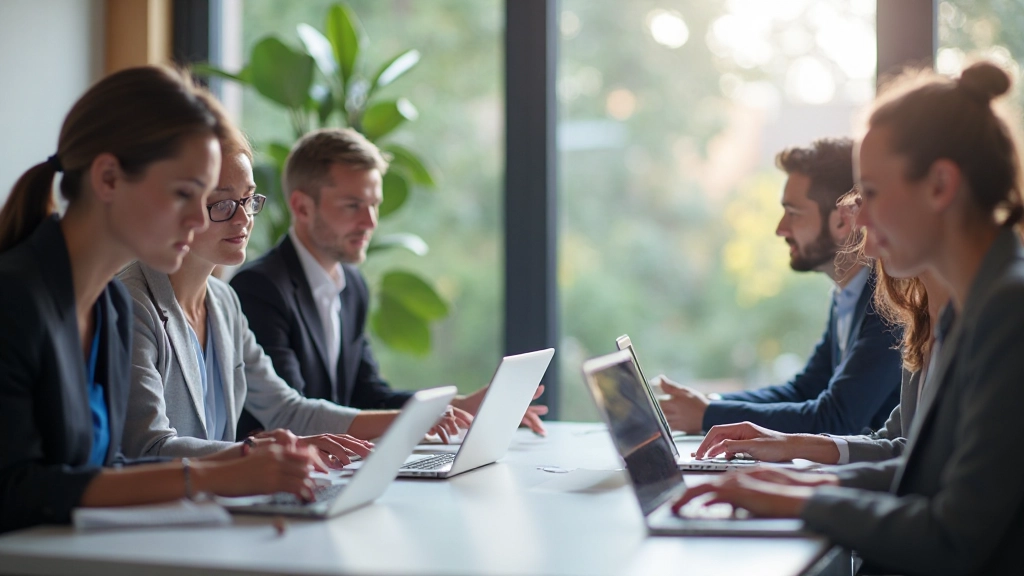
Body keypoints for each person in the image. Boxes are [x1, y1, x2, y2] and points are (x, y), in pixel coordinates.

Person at [674, 61, 1024, 575]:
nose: (857, 217)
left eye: (873, 193)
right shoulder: (963, 310)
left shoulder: (1008, 311)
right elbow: (917, 466)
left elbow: (953, 537)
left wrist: (805, 501)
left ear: (940, 186)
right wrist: (800, 480)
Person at [0, 66, 324, 534]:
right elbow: (16, 490)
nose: (199, 218)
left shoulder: (107, 306)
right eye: (184, 194)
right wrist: (218, 474)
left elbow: (108, 469)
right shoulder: (15, 299)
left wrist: (245, 461)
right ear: (108, 178)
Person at [120, 124, 467, 459]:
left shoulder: (224, 302)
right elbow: (147, 448)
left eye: (248, 199)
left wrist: (413, 419)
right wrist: (254, 454)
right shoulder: (132, 303)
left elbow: (286, 409)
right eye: (223, 204)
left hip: (216, 505)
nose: (243, 219)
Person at [229, 128, 546, 438]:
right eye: (352, 205)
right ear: (302, 207)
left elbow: (368, 395)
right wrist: (418, 421)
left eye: (374, 204)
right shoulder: (260, 288)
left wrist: (460, 406)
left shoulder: (352, 286)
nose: (370, 222)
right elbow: (293, 418)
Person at [657, 138, 902, 435]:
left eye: (794, 213)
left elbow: (836, 416)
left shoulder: (891, 303)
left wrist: (709, 415)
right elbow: (804, 390)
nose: (780, 228)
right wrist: (707, 404)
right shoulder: (849, 294)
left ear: (843, 221)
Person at [693, 248, 949, 464]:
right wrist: (787, 443)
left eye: (794, 213)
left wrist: (813, 485)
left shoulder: (888, 312)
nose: (866, 245)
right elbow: (893, 439)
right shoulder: (921, 318)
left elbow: (912, 455)